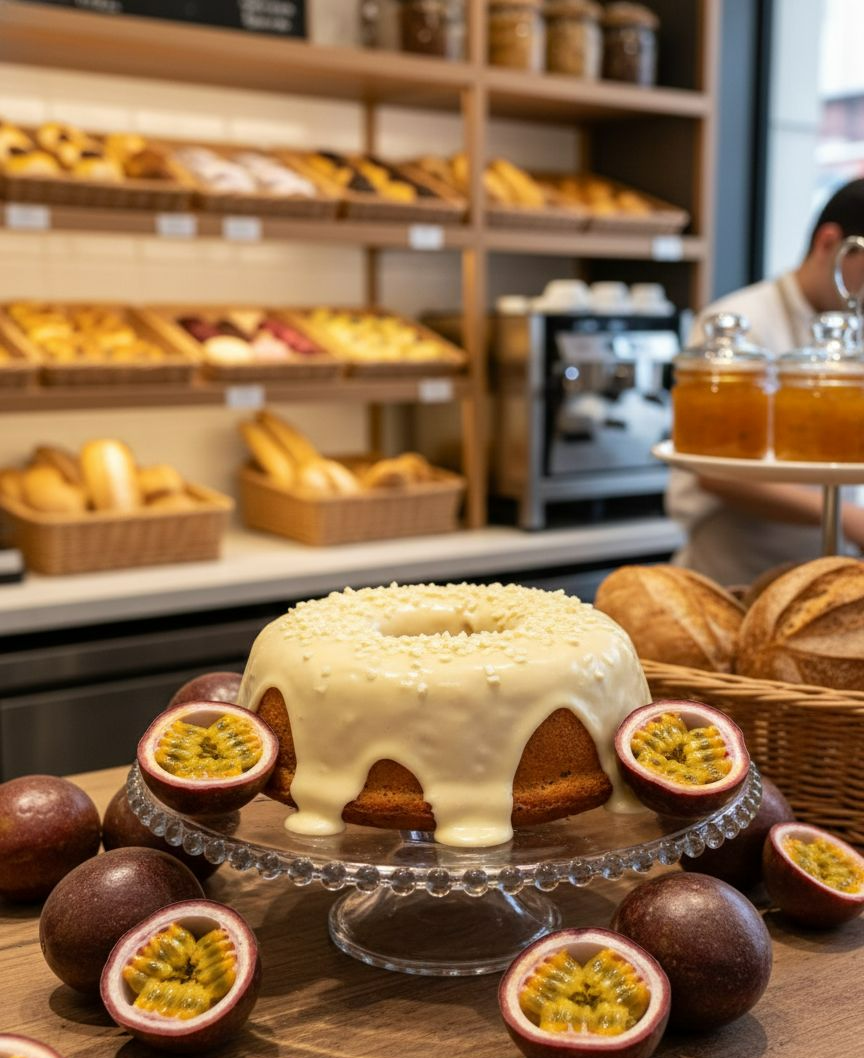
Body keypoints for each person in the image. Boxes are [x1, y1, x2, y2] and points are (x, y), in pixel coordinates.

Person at [667, 178, 864, 586]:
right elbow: (715, 470)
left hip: (826, 573)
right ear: (831, 243)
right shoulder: (743, 323)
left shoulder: (854, 338)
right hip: (733, 574)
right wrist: (848, 519)